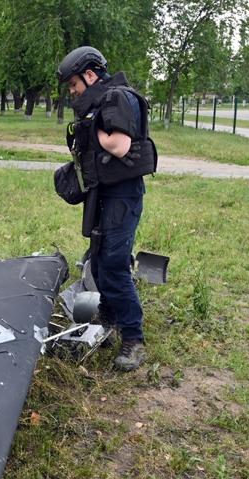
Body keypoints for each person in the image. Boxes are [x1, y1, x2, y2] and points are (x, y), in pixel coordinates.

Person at [56, 46, 158, 371]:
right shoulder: (100, 103)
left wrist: (92, 127)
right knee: (96, 261)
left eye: (74, 84)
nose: (72, 92)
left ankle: (134, 338)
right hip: (104, 194)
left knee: (113, 264)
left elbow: (119, 145)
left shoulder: (117, 98)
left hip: (122, 195)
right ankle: (105, 319)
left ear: (90, 75)